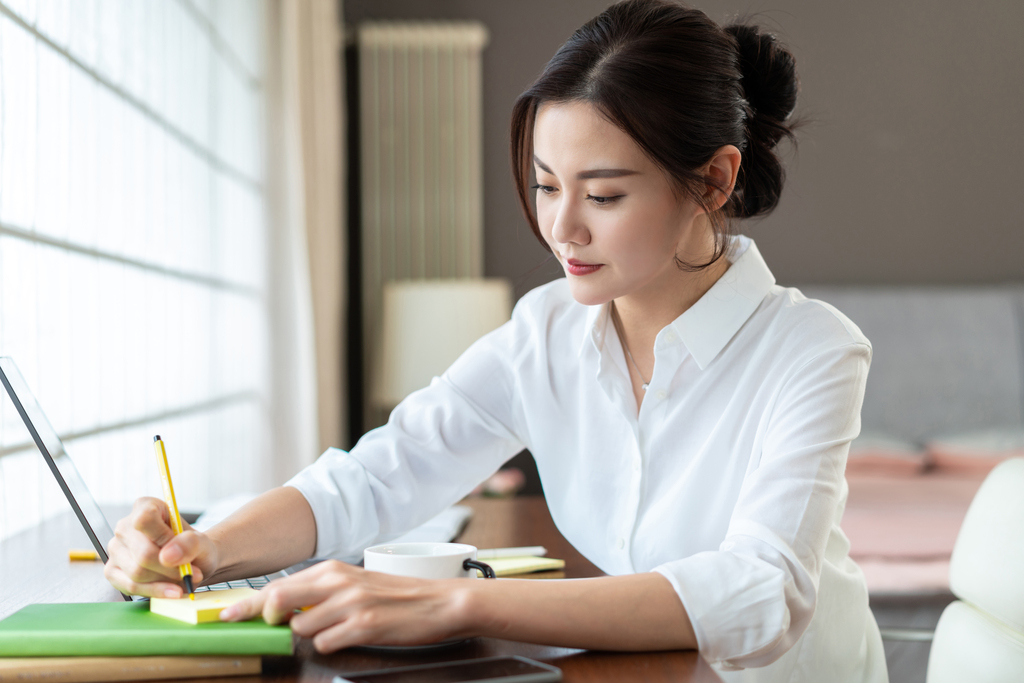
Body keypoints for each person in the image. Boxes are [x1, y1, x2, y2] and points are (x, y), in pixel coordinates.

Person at [104, 1, 887, 680]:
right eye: (547, 184)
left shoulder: (811, 350)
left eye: (604, 194)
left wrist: (456, 602)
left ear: (714, 181)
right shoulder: (546, 332)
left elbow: (763, 592)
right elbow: (379, 476)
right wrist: (202, 548)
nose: (560, 227)